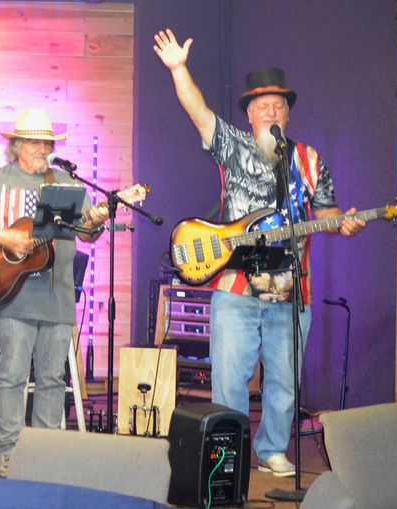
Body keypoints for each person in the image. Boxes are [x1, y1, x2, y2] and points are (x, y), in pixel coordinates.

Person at [153, 28, 365, 477]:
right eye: (262, 106)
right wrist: (178, 69)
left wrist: (342, 221)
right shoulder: (233, 146)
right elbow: (198, 112)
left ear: (287, 114)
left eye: (278, 106)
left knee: (285, 380)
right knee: (230, 379)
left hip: (292, 290)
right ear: (249, 115)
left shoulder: (309, 159)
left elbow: (325, 210)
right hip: (235, 287)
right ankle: (229, 453)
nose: (271, 112)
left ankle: (271, 450)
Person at [0, 108, 109, 478]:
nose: (43, 149)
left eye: (48, 143)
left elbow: (87, 234)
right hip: (12, 296)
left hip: (57, 298)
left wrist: (97, 221)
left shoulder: (66, 183)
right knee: (12, 377)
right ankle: (9, 453)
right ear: (18, 144)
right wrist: (7, 238)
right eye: (36, 142)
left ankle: (44, 456)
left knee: (53, 380)